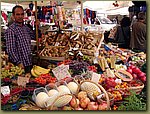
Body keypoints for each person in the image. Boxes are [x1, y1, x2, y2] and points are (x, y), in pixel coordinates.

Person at [5, 5, 35, 75]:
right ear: (13, 15)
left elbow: (34, 36)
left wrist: (37, 27)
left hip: (29, 62)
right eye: (18, 14)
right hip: (20, 65)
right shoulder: (11, 30)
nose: (20, 16)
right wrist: (18, 62)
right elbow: (10, 50)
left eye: (22, 14)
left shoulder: (26, 28)